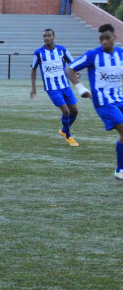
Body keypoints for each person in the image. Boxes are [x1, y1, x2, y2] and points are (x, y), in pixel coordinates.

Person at [66, 23, 123, 180]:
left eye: (107, 38)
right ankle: (120, 170)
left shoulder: (121, 54)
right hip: (103, 103)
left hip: (119, 99)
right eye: (101, 39)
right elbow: (69, 69)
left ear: (114, 38)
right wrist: (80, 88)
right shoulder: (93, 55)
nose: (104, 41)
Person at [30, 28, 80, 146]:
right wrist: (33, 87)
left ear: (53, 37)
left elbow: (72, 63)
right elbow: (33, 69)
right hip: (51, 88)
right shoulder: (38, 53)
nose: (46, 38)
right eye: (44, 36)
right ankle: (68, 136)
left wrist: (76, 70)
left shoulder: (62, 50)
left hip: (65, 86)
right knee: (66, 111)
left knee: (75, 111)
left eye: (48, 35)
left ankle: (63, 130)